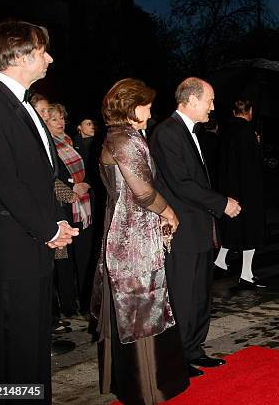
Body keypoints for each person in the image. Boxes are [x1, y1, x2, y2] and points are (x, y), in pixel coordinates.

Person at [0, 20, 78, 403]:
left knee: (33, 352)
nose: (49, 58)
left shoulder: (24, 106)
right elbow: (4, 182)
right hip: (9, 253)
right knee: (11, 357)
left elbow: (39, 178)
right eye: (41, 51)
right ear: (18, 55)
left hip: (33, 246)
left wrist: (57, 223)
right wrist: (49, 229)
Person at [90, 78, 189, 404]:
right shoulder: (126, 140)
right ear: (133, 107)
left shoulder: (116, 137)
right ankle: (148, 385)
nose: (150, 109)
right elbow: (144, 193)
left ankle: (128, 381)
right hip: (132, 235)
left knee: (135, 306)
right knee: (142, 307)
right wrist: (169, 211)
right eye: (146, 104)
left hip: (122, 230)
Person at [150, 77, 241, 378]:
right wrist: (221, 203)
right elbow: (180, 183)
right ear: (190, 100)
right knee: (182, 296)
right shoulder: (167, 133)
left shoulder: (190, 132)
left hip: (199, 227)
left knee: (200, 294)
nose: (213, 107)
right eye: (210, 100)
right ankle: (177, 357)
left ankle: (193, 349)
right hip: (182, 227)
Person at [46, 103, 94, 318]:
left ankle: (86, 303)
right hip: (62, 209)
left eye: (62, 118)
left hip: (83, 208)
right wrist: (71, 186)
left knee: (84, 256)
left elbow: (89, 168)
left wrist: (86, 184)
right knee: (63, 259)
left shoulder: (71, 142)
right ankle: (67, 305)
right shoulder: (46, 145)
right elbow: (49, 177)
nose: (60, 122)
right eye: (54, 119)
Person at [214, 99, 266, 288]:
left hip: (227, 189)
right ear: (250, 111)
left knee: (233, 228)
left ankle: (221, 261)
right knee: (249, 230)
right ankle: (246, 273)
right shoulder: (247, 132)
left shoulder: (225, 131)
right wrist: (257, 145)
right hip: (247, 190)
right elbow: (253, 166)